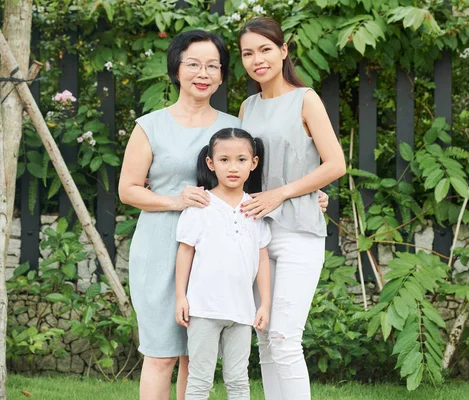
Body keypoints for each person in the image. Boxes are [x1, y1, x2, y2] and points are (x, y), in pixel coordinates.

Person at [118, 30, 241, 400]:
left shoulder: (234, 125)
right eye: (193, 64)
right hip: (159, 249)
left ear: (221, 75)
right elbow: (128, 190)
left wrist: (311, 197)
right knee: (161, 356)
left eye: (212, 65)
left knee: (197, 358)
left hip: (214, 254)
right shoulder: (150, 125)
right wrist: (176, 200)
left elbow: (255, 182)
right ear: (176, 69)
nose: (202, 73)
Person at [237, 17, 347, 400]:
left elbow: (335, 164)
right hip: (257, 235)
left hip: (298, 231)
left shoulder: (306, 98)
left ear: (283, 51)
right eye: (248, 53)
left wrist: (285, 193)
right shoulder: (247, 107)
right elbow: (237, 166)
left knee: (285, 337)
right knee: (265, 337)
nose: (257, 59)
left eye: (265, 49)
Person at [175, 128, 271, 400]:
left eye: (241, 160)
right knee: (199, 380)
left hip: (242, 312)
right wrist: (180, 296)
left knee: (239, 381)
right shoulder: (200, 206)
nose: (233, 167)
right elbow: (185, 252)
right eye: (224, 160)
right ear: (210, 163)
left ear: (253, 163)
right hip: (204, 309)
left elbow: (262, 258)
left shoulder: (256, 208)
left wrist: (264, 303)